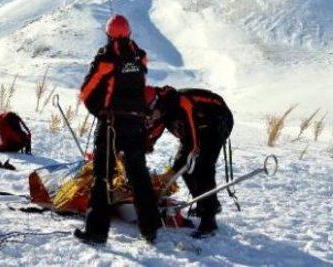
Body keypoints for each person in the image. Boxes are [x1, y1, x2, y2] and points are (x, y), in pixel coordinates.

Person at [75, 14, 161, 246]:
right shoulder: (139, 55)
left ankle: (96, 231)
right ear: (130, 32)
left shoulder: (106, 58)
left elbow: (86, 92)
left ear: (108, 34)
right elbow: (139, 79)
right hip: (136, 124)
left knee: (103, 175)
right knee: (139, 176)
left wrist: (100, 112)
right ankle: (150, 229)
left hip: (112, 125)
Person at [144, 85, 234, 237]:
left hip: (217, 121)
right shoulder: (162, 111)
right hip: (199, 127)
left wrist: (172, 171)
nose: (149, 118)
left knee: (202, 169)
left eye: (149, 113)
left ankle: (209, 223)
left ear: (155, 104)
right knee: (186, 169)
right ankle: (207, 204)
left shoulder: (182, 103)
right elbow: (149, 136)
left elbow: (192, 143)